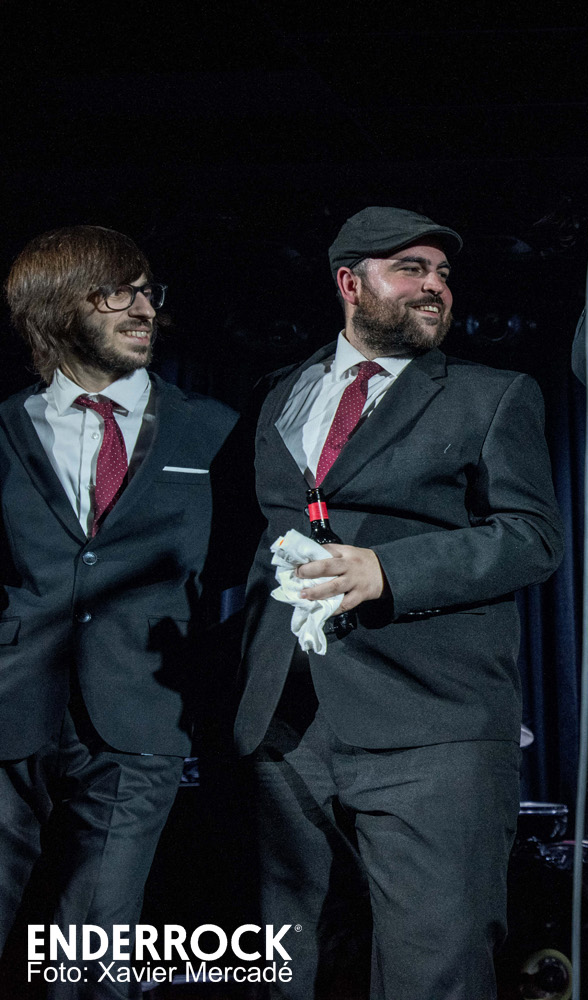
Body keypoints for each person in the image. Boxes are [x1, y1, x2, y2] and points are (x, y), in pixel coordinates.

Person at [231, 207, 564, 999]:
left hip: (433, 726)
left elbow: (533, 538)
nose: (434, 286)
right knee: (283, 970)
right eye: (410, 269)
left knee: (434, 968)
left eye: (443, 273)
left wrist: (388, 570)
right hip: (286, 722)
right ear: (350, 284)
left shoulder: (492, 395)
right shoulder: (278, 393)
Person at [0, 226, 239, 998]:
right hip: (10, 708)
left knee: (94, 948)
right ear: (54, 309)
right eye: (116, 293)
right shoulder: (5, 427)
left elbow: (252, 568)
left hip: (141, 717)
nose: (143, 309)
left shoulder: (216, 432)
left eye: (146, 292)